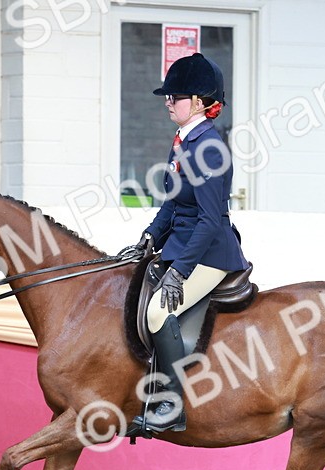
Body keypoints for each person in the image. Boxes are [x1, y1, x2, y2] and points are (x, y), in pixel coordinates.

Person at [122, 52, 249, 435]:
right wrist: (148, 238)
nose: (168, 102)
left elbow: (210, 221)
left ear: (197, 101)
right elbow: (173, 205)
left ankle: (171, 407)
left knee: (159, 313)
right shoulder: (184, 141)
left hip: (210, 253)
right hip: (182, 243)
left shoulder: (209, 148)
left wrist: (179, 271)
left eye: (174, 97)